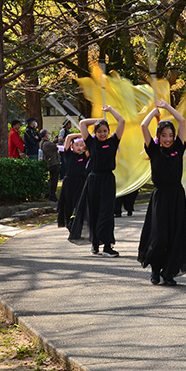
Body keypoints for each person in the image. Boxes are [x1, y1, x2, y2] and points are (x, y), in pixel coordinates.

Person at [138, 100, 186, 286]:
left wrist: (168, 108)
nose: (168, 139)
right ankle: (155, 269)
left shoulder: (178, 147)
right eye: (164, 135)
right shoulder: (153, 150)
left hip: (176, 196)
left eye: (170, 135)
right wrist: (155, 111)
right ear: (158, 137)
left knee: (175, 235)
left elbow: (182, 121)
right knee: (159, 236)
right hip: (160, 197)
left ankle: (169, 273)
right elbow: (143, 125)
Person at [79, 105, 125, 257]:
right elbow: (82, 124)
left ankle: (107, 246)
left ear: (108, 132)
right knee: (94, 211)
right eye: (99, 131)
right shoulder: (91, 142)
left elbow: (122, 121)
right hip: (93, 179)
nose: (102, 134)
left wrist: (110, 110)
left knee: (107, 212)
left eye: (105, 131)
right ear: (95, 132)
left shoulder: (113, 141)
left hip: (108, 180)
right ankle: (94, 244)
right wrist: (99, 120)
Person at [58, 133, 89, 229]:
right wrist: (81, 134)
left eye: (81, 145)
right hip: (69, 182)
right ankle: (69, 223)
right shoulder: (68, 154)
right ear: (72, 146)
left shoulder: (84, 156)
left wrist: (86, 138)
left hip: (80, 182)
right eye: (77, 145)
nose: (79, 147)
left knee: (79, 203)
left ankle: (78, 223)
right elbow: (68, 138)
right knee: (68, 203)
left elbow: (90, 146)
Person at [39, 129, 61, 202]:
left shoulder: (42, 143)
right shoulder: (47, 144)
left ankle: (47, 193)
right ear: (45, 135)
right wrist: (59, 140)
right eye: (48, 133)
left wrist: (54, 141)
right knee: (54, 180)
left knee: (51, 179)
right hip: (53, 162)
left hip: (49, 162)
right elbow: (56, 147)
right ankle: (52, 195)